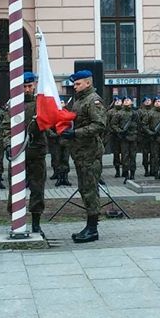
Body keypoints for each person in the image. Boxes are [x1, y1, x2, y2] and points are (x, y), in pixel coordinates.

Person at [60, 70, 106, 243]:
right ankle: (89, 226)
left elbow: (99, 125)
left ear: (88, 83)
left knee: (90, 190)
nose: (75, 86)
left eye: (78, 83)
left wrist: (75, 133)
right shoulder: (79, 100)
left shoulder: (93, 100)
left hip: (90, 152)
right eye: (74, 83)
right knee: (85, 189)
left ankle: (92, 229)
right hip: (81, 152)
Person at [21, 72, 48, 233]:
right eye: (24, 87)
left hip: (37, 152)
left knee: (37, 189)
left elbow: (49, 126)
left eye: (29, 86)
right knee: (15, 190)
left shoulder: (41, 104)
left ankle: (36, 223)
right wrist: (7, 145)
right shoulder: (13, 105)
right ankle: (17, 222)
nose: (27, 90)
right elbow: (5, 128)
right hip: (18, 154)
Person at [112, 95, 139, 182]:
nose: (127, 101)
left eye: (128, 100)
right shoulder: (119, 113)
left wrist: (135, 131)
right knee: (125, 156)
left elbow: (139, 125)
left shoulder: (135, 113)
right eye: (125, 100)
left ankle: (132, 173)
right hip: (124, 138)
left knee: (133, 156)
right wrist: (120, 131)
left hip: (133, 137)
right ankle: (126, 173)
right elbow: (113, 124)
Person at [143, 96, 160, 179]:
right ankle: (155, 171)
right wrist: (150, 132)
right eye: (156, 101)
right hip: (154, 138)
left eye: (159, 101)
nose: (157, 103)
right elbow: (144, 124)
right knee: (154, 156)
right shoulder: (150, 113)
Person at [137, 96, 153, 176]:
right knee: (145, 154)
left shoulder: (153, 111)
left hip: (154, 136)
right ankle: (146, 170)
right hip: (144, 136)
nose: (147, 102)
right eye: (146, 100)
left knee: (154, 154)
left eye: (149, 100)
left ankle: (153, 170)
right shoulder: (140, 111)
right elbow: (139, 124)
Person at [107, 96, 122, 177]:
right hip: (114, 135)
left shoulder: (124, 111)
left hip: (124, 136)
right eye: (116, 101)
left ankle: (125, 171)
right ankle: (117, 171)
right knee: (116, 154)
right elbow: (108, 123)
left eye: (119, 101)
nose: (118, 102)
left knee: (125, 154)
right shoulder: (110, 112)